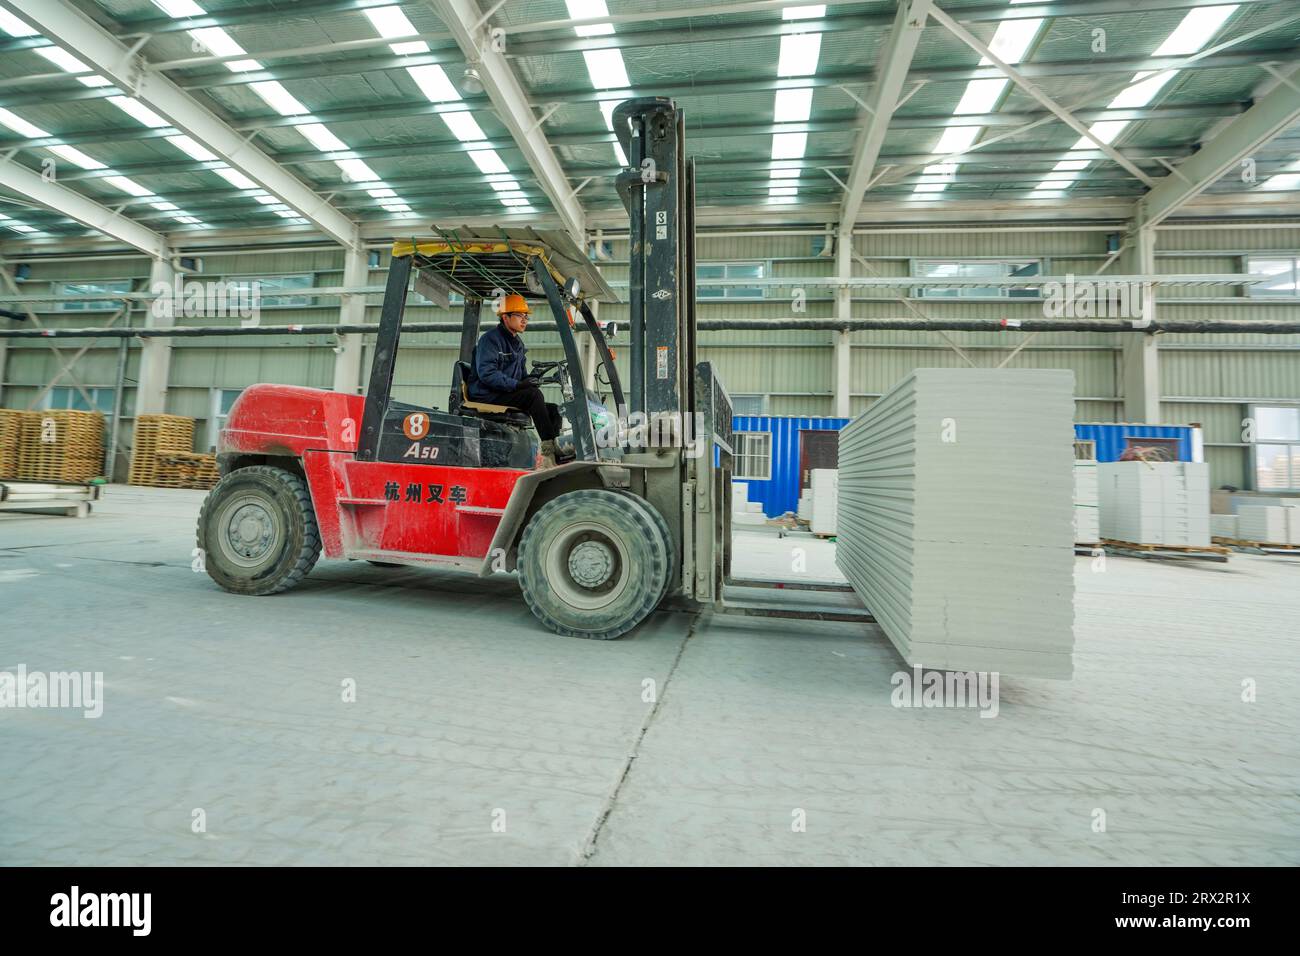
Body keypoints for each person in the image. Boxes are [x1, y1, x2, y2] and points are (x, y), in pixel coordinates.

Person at [466, 292, 564, 467]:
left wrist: (532, 378)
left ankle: (554, 454)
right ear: (505, 317)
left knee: (553, 410)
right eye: (520, 315)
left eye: (526, 316)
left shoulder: (517, 344)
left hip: (504, 391)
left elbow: (520, 376)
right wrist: (518, 384)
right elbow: (487, 374)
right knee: (533, 396)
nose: (524, 320)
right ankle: (548, 450)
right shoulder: (490, 340)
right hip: (486, 394)